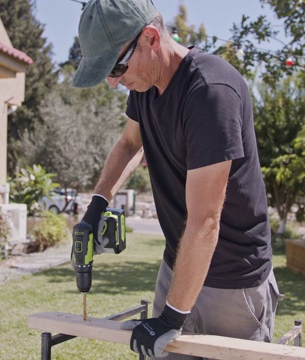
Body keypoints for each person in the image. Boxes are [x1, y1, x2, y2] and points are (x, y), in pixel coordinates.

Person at [73, 0, 282, 358]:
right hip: (177, 264)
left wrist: (172, 316)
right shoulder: (144, 88)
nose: (113, 83)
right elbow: (129, 145)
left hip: (232, 282)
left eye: (116, 67)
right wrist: (96, 206)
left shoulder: (210, 92)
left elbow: (205, 221)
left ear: (151, 38)